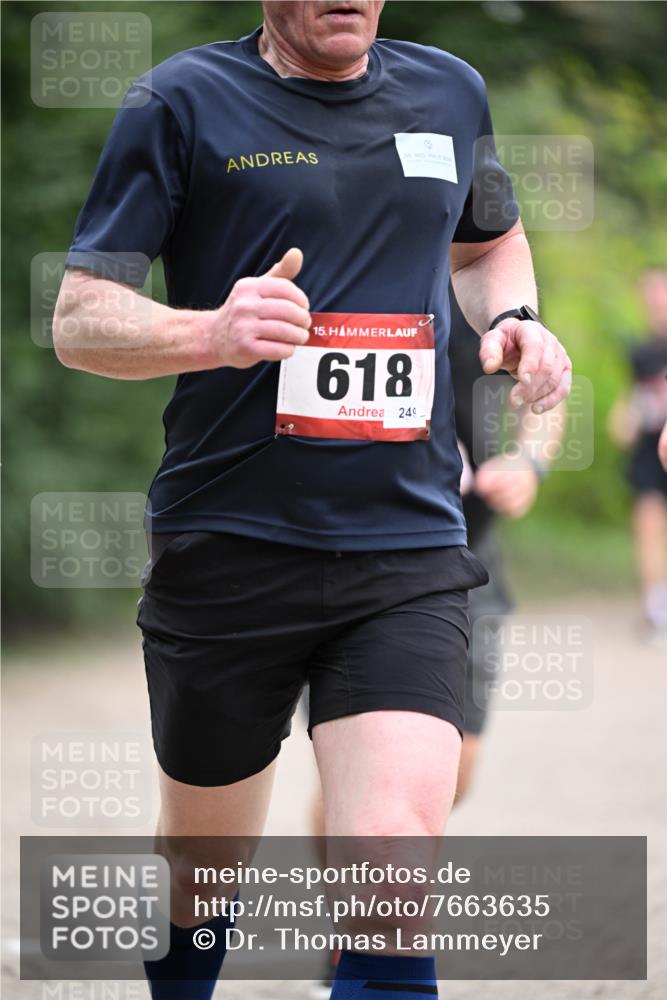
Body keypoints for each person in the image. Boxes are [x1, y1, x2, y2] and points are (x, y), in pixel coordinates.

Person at [54, 3, 572, 997]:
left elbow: (485, 244)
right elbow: (80, 318)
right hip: (228, 538)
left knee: (393, 860)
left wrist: (514, 317)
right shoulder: (179, 100)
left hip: (407, 541)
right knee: (202, 873)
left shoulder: (448, 90)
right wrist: (209, 332)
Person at [608, 268, 667, 642]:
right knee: (648, 528)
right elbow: (633, 397)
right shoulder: (641, 352)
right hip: (649, 454)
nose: (655, 301)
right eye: (649, 294)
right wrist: (624, 418)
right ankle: (656, 609)